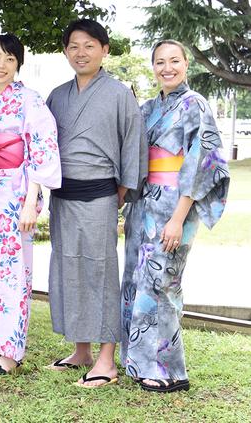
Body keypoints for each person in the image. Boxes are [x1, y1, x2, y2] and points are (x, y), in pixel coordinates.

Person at [121, 40, 229, 393]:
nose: (167, 68)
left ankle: (169, 371)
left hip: (174, 207)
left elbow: (200, 163)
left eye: (174, 61)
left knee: (163, 285)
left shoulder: (195, 104)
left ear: (186, 64)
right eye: (159, 62)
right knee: (137, 282)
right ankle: (139, 363)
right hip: (143, 206)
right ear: (152, 67)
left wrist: (179, 218)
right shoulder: (148, 107)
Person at [44, 18, 147, 388]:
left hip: (100, 195)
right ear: (66, 52)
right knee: (68, 268)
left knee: (100, 272)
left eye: (89, 45)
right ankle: (81, 349)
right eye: (73, 45)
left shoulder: (119, 94)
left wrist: (120, 191)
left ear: (104, 50)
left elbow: (133, 145)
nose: (81, 52)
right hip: (63, 197)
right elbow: (42, 147)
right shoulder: (56, 95)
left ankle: (107, 358)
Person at [0, 34, 61, 375]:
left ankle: (11, 351)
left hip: (14, 194)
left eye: (9, 58)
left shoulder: (30, 101)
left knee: (12, 274)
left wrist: (31, 201)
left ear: (18, 63)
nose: (1, 65)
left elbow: (41, 149)